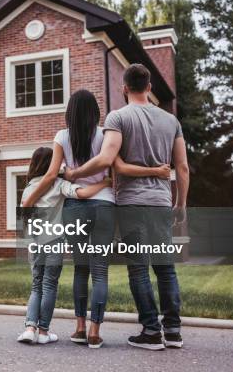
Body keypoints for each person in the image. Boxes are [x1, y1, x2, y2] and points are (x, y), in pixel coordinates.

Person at [22, 89, 170, 349]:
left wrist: (30, 199)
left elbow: (49, 177)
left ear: (69, 112)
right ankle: (94, 332)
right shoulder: (105, 134)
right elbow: (118, 168)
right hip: (105, 205)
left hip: (74, 207)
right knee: (100, 271)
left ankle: (78, 328)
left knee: (81, 268)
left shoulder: (62, 136)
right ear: (95, 112)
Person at [64, 64, 190, 350]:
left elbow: (107, 158)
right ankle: (173, 330)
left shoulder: (118, 117)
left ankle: (150, 331)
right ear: (149, 87)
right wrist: (181, 203)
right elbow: (182, 167)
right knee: (166, 268)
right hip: (160, 203)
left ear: (124, 88)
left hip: (131, 203)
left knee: (138, 269)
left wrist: (74, 173)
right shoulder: (171, 121)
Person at [17, 146, 111, 345]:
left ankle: (29, 328)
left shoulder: (28, 188)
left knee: (36, 286)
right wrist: (105, 183)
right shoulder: (59, 184)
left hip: (34, 244)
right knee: (49, 285)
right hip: (54, 243)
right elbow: (83, 193)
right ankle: (43, 332)